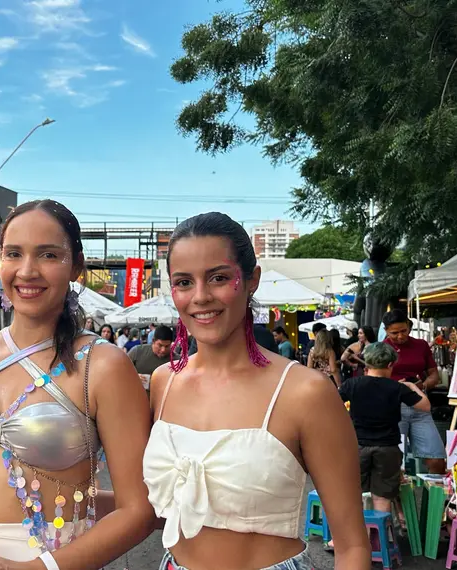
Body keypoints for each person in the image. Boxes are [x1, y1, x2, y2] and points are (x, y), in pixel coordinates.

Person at [143, 212, 369, 570]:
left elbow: (352, 546)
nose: (200, 297)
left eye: (218, 278)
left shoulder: (306, 392)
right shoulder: (163, 382)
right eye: (184, 282)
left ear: (252, 280)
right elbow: (160, 511)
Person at [0, 200, 155, 568]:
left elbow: (140, 510)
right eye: (14, 254)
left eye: (48, 255)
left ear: (77, 267)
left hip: (53, 560)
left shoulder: (102, 365)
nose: (27, 271)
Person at [339, 343, 429, 514]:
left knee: (352, 493)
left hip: (357, 445)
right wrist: (414, 387)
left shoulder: (352, 384)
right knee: (382, 496)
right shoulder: (397, 388)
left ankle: (350, 537)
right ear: (390, 365)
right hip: (388, 448)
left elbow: (331, 403)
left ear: (367, 363)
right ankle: (378, 537)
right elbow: (425, 406)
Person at [382, 309, 447, 474]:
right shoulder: (381, 349)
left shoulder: (420, 345)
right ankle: (396, 500)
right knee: (394, 463)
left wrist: (422, 386)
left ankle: (433, 499)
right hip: (392, 409)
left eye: (404, 331)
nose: (400, 336)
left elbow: (434, 375)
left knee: (437, 459)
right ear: (386, 331)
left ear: (409, 326)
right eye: (394, 333)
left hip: (419, 406)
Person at [128, 325, 174, 392]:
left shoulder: (176, 360)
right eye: (160, 345)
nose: (163, 350)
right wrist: (132, 376)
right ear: (153, 341)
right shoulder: (137, 351)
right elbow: (120, 371)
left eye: (167, 346)